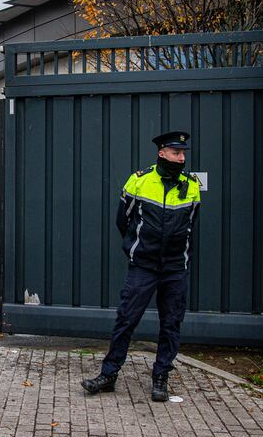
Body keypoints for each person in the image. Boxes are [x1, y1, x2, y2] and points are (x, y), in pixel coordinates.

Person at [82, 131, 201, 401]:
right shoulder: (139, 181)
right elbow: (122, 220)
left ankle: (161, 378)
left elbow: (192, 225)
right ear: (161, 153)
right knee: (126, 319)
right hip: (144, 266)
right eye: (176, 153)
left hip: (174, 268)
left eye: (183, 153)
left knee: (171, 323)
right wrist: (136, 248)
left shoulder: (191, 185)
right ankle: (108, 375)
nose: (181, 158)